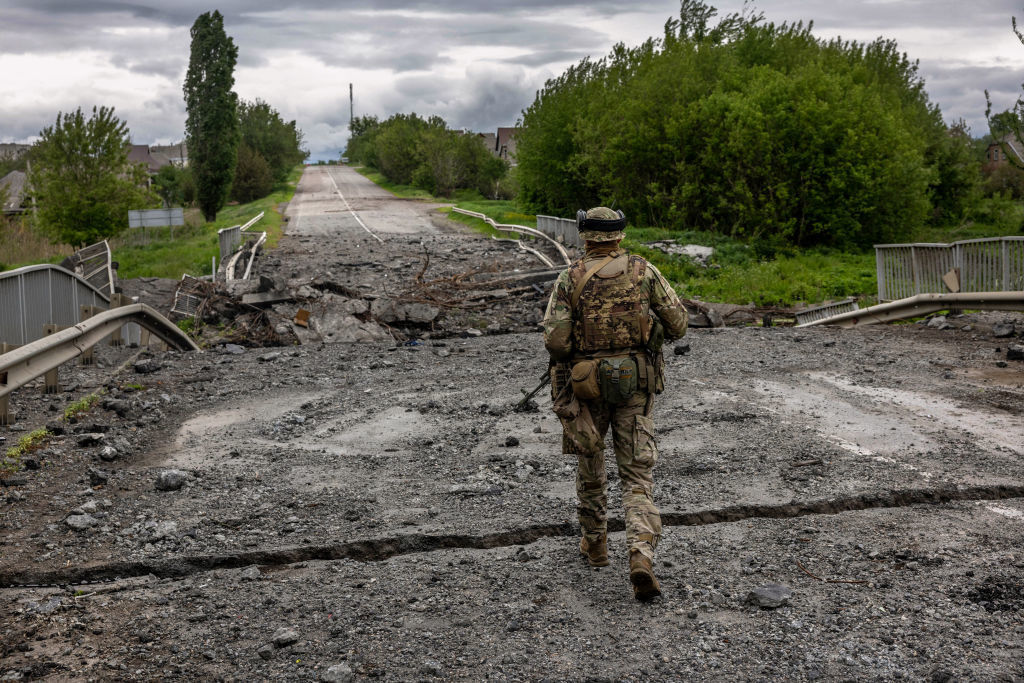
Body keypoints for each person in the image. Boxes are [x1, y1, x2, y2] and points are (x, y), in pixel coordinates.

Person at [542, 206, 688, 601]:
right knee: (637, 476)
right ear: (620, 236)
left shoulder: (569, 277)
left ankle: (597, 545)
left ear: (584, 237)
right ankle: (640, 553)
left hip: (586, 388)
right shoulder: (643, 270)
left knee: (591, 462)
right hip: (635, 386)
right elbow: (678, 323)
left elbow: (555, 343)